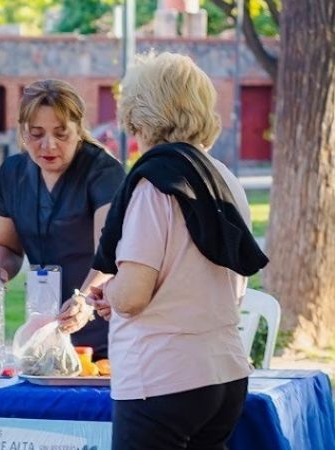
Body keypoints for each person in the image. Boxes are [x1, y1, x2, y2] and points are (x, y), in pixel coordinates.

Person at [88, 52, 268, 450]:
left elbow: (133, 296)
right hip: (224, 372)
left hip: (162, 376)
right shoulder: (224, 178)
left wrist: (112, 294)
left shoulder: (154, 184)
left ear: (141, 113)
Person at [0, 79, 125, 359]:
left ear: (79, 130)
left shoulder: (103, 170)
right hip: (42, 332)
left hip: (101, 327)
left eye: (61, 134)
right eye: (36, 134)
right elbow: (8, 248)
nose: (48, 145)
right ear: (22, 132)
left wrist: (84, 300)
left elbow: (108, 253)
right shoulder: (13, 173)